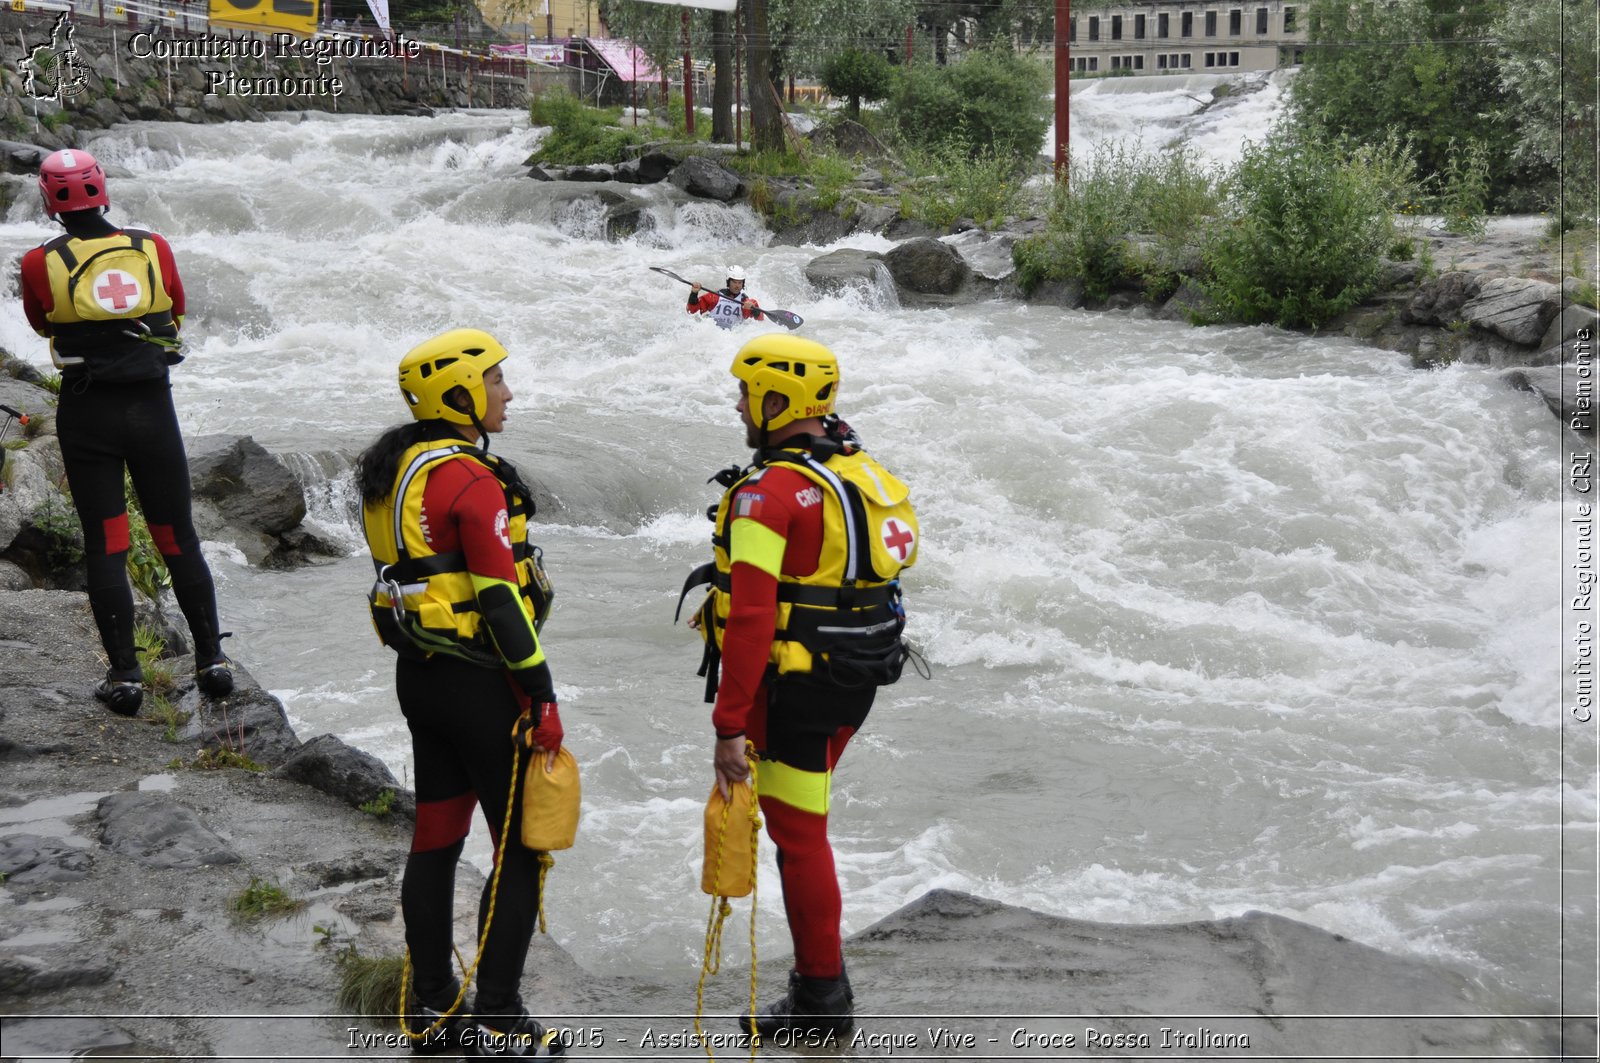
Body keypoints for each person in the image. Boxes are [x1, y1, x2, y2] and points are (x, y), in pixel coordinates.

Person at [680, 334, 921, 1039]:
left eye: (746, 394)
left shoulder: (767, 494)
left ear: (777, 400)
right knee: (802, 826)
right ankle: (820, 989)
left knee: (799, 835)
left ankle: (822, 998)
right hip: (855, 676)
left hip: (798, 689)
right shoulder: (856, 467)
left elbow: (752, 618)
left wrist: (728, 725)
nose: (738, 404)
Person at [357, 328, 565, 1058]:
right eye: (497, 381)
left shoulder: (396, 469)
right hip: (483, 685)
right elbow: (502, 602)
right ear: (460, 394)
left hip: (421, 680)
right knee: (525, 848)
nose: (508, 393)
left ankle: (435, 1004)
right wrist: (541, 695)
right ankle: (501, 1016)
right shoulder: (473, 481)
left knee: (438, 839)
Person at [18, 148, 232, 716]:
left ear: (48, 198)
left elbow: (41, 322)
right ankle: (212, 662)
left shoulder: (40, 262)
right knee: (176, 535)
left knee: (108, 544)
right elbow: (176, 310)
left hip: (87, 415)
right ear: (101, 188)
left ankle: (125, 677)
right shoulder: (151, 247)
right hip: (151, 410)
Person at [688, 266, 764, 330]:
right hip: (712, 333)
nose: (737, 286)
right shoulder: (714, 297)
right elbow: (692, 310)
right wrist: (694, 293)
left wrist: (754, 309)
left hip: (732, 336)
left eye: (740, 282)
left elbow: (760, 319)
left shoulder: (746, 302)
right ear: (728, 282)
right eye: (734, 282)